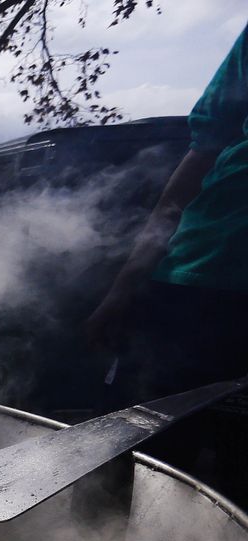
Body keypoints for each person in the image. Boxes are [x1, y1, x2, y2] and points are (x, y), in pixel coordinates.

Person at [83, 22, 248, 500]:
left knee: (229, 484)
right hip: (198, 282)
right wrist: (124, 287)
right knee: (129, 462)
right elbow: (202, 153)